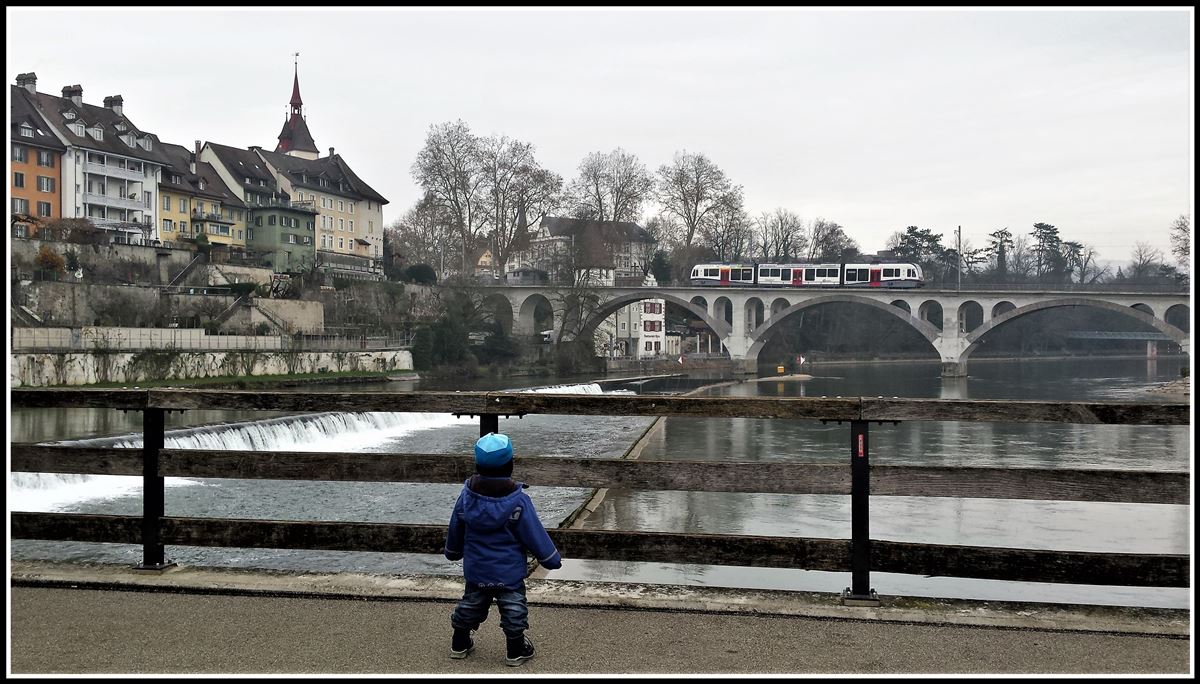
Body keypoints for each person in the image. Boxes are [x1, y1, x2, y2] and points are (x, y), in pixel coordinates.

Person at [444, 432, 562, 666]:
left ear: (477, 466)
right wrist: (551, 559)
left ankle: (459, 642)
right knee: (514, 608)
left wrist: (453, 552)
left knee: (471, 604)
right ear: (510, 465)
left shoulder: (466, 498)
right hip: (509, 573)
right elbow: (535, 534)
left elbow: (455, 528)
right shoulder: (518, 502)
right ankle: (516, 648)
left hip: (477, 570)